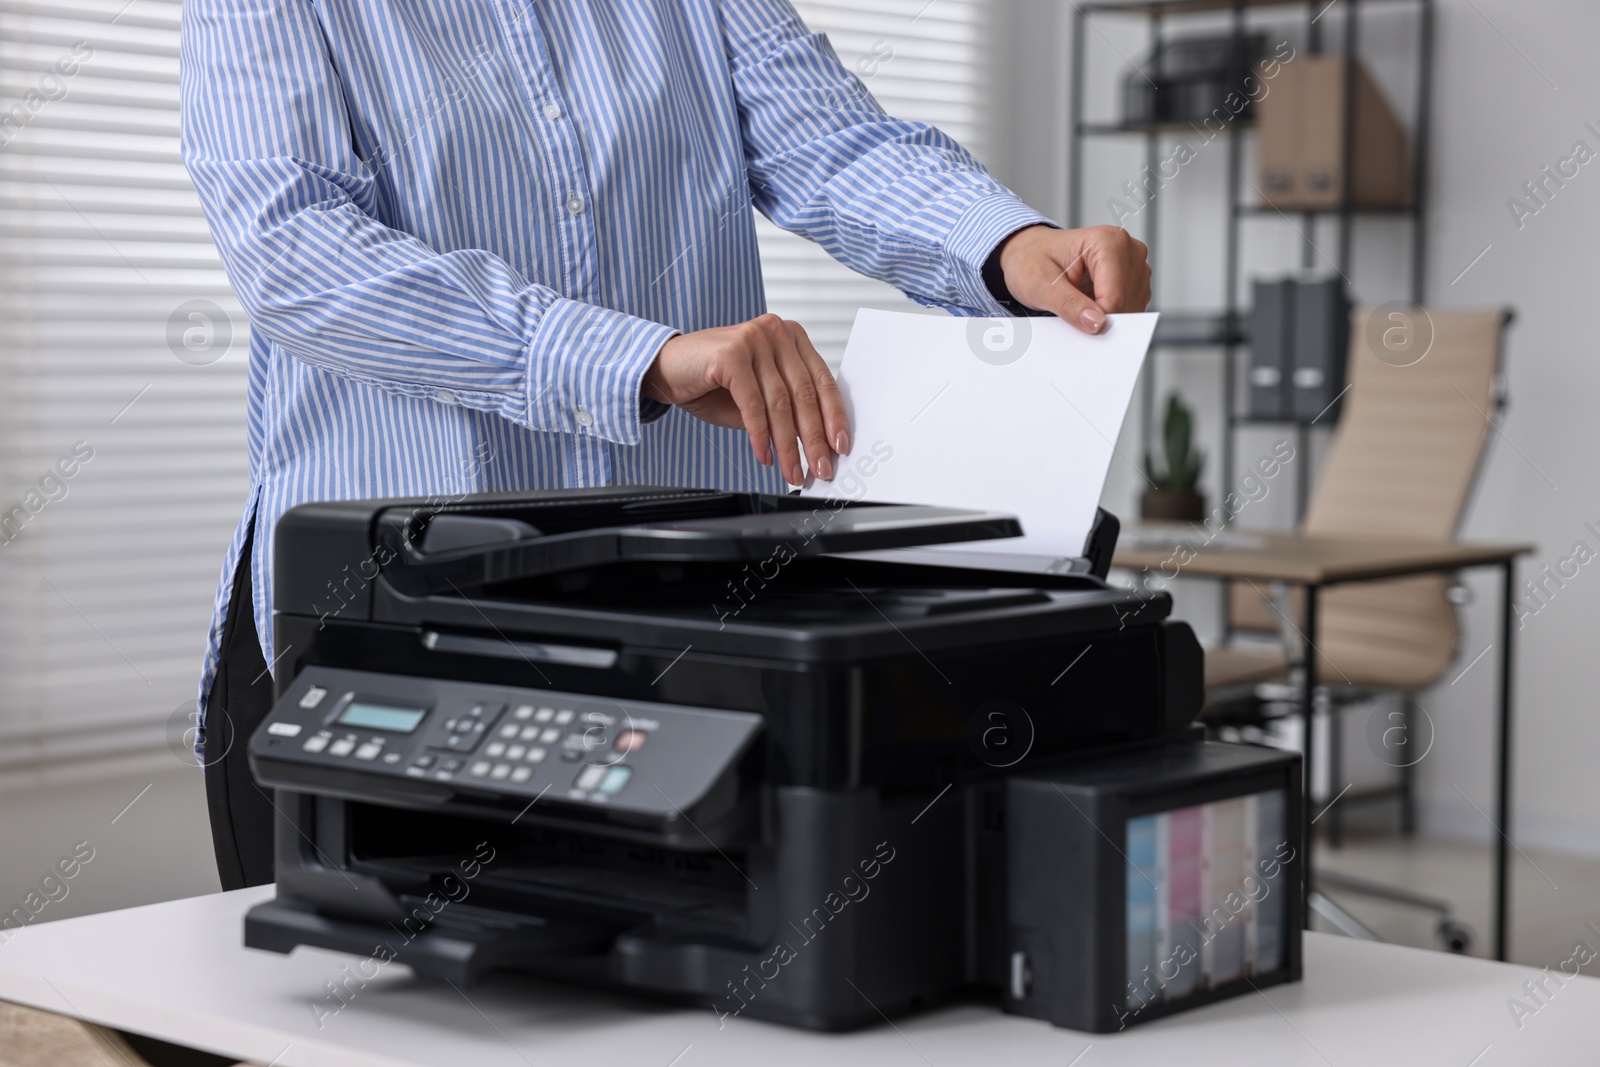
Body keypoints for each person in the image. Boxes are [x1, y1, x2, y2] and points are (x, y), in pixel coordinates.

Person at [180, 0, 1150, 889]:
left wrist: (1006, 244)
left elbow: (836, 147)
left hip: (678, 637)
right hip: (389, 628)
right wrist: (636, 360)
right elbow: (295, 251)